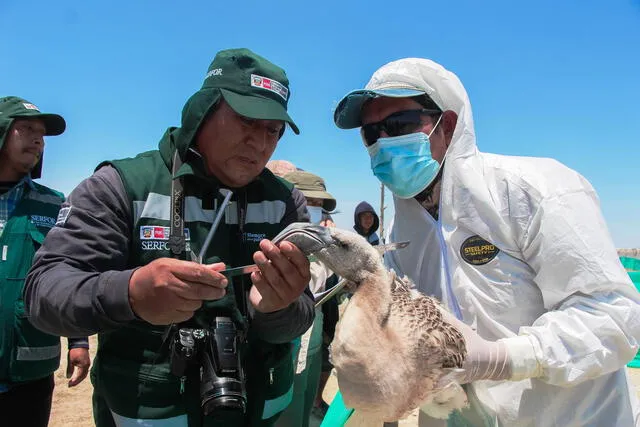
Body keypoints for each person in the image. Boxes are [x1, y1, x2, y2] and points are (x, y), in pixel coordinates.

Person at [333, 58, 640, 426]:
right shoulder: (402, 231)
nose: (383, 142)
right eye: (371, 133)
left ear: (447, 124)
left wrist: (503, 358)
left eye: (399, 125)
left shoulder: (535, 191)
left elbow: (614, 317)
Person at [23, 48, 315, 427]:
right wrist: (130, 293)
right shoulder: (121, 186)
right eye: (246, 120)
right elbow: (43, 292)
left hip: (260, 412)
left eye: (273, 130)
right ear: (204, 110)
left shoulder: (285, 201)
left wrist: (279, 308)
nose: (260, 144)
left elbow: (301, 318)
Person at [0, 96, 90, 427]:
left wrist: (78, 340)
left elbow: (70, 273)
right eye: (26, 129)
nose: (38, 140)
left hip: (30, 375)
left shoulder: (54, 205)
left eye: (42, 134)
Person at [268, 169, 338, 427]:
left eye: (321, 205)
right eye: (311, 202)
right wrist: (327, 247)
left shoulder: (317, 244)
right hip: (293, 351)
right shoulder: (281, 242)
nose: (317, 211)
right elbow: (308, 282)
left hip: (313, 347)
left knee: (306, 412)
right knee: (290, 417)